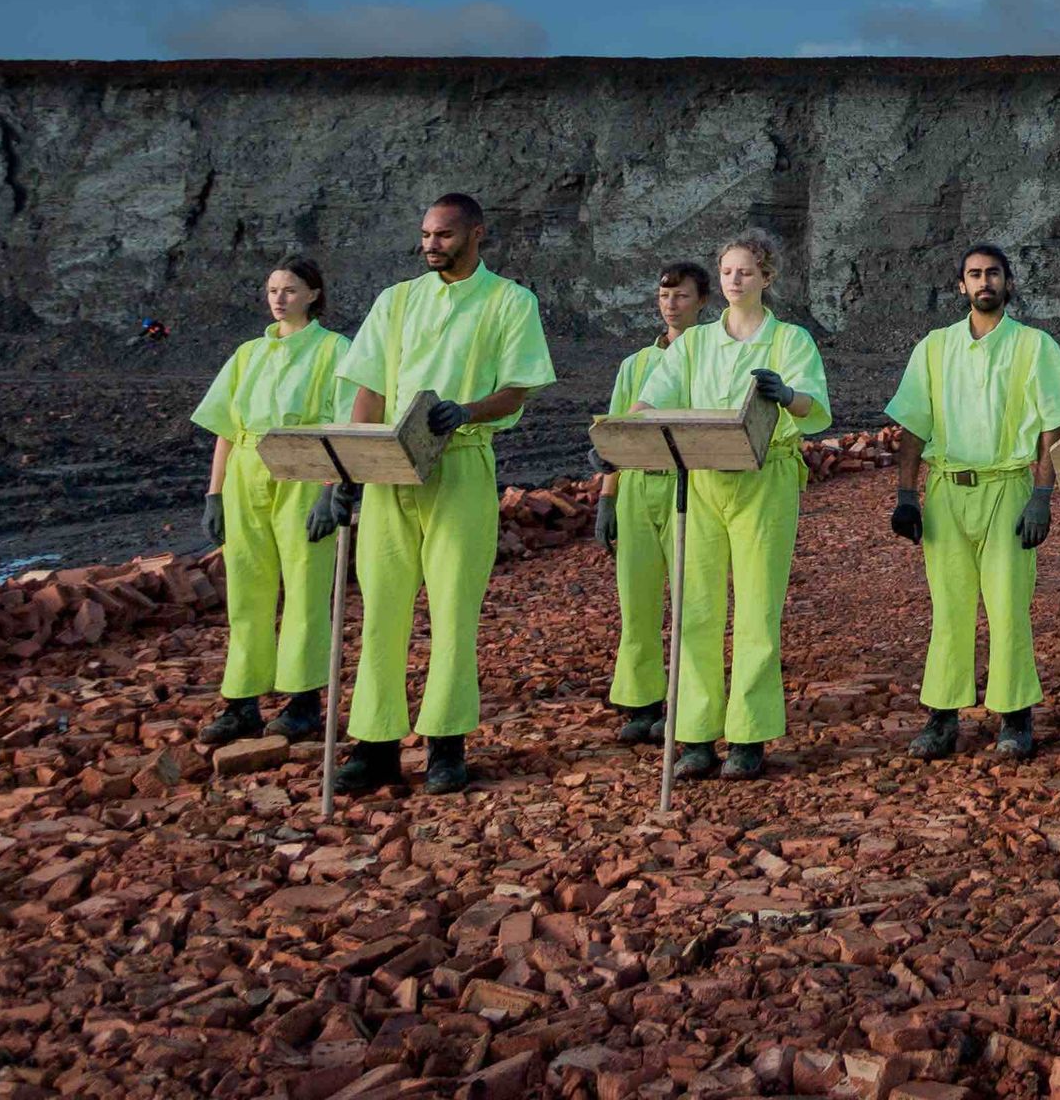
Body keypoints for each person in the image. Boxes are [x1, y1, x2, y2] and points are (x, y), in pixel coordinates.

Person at [326, 194, 557, 797]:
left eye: (444, 235)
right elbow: (370, 388)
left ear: (476, 234)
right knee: (381, 611)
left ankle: (445, 748)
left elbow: (517, 390)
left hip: (460, 464)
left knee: (453, 610)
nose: (431, 244)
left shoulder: (510, 301)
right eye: (426, 234)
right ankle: (374, 747)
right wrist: (348, 469)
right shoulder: (395, 300)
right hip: (389, 472)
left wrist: (467, 412)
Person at [885, 245, 1060, 762]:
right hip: (946, 488)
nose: (984, 282)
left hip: (1008, 487)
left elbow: (1054, 425)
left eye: (992, 273)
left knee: (1008, 606)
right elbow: (913, 424)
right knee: (948, 608)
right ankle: (942, 718)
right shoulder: (933, 348)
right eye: (974, 274)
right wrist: (907, 496)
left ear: (1008, 282)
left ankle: (1015, 719)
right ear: (961, 286)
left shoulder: (1034, 346)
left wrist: (1043, 495)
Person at [666, 227, 831, 780]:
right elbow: (655, 398)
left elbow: (814, 405)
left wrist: (786, 394)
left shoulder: (791, 341)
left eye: (746, 271)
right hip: (704, 479)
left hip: (766, 478)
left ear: (767, 278)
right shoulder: (692, 344)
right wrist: (626, 433)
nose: (734, 280)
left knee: (758, 607)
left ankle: (749, 735)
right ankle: (694, 735)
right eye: (728, 271)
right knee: (697, 607)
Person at [190, 259, 351, 749]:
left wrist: (330, 488)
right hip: (245, 470)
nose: (278, 298)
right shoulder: (247, 354)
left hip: (303, 467)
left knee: (305, 582)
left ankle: (303, 702)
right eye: (272, 289)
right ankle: (242, 702)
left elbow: (343, 422)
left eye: (290, 289)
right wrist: (215, 492)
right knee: (246, 584)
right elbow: (225, 426)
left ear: (313, 295)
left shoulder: (333, 350)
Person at [594, 261, 714, 748]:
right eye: (665, 296)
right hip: (638, 489)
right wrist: (607, 499)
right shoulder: (634, 365)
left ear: (702, 301)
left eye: (682, 296)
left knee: (692, 600)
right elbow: (619, 431)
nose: (671, 304)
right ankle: (642, 701)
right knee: (637, 600)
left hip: (691, 486)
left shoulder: (712, 355)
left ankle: (685, 702)